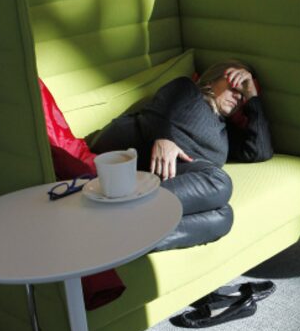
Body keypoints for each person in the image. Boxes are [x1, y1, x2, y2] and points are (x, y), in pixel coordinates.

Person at [91, 61, 272, 251]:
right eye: (235, 87)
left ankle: (132, 238)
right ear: (212, 80)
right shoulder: (187, 89)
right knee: (220, 181)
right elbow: (158, 110)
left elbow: (260, 151)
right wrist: (163, 137)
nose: (238, 96)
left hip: (163, 179)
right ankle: (127, 213)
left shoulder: (225, 134)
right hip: (128, 157)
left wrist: (253, 96)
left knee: (224, 217)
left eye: (243, 95)